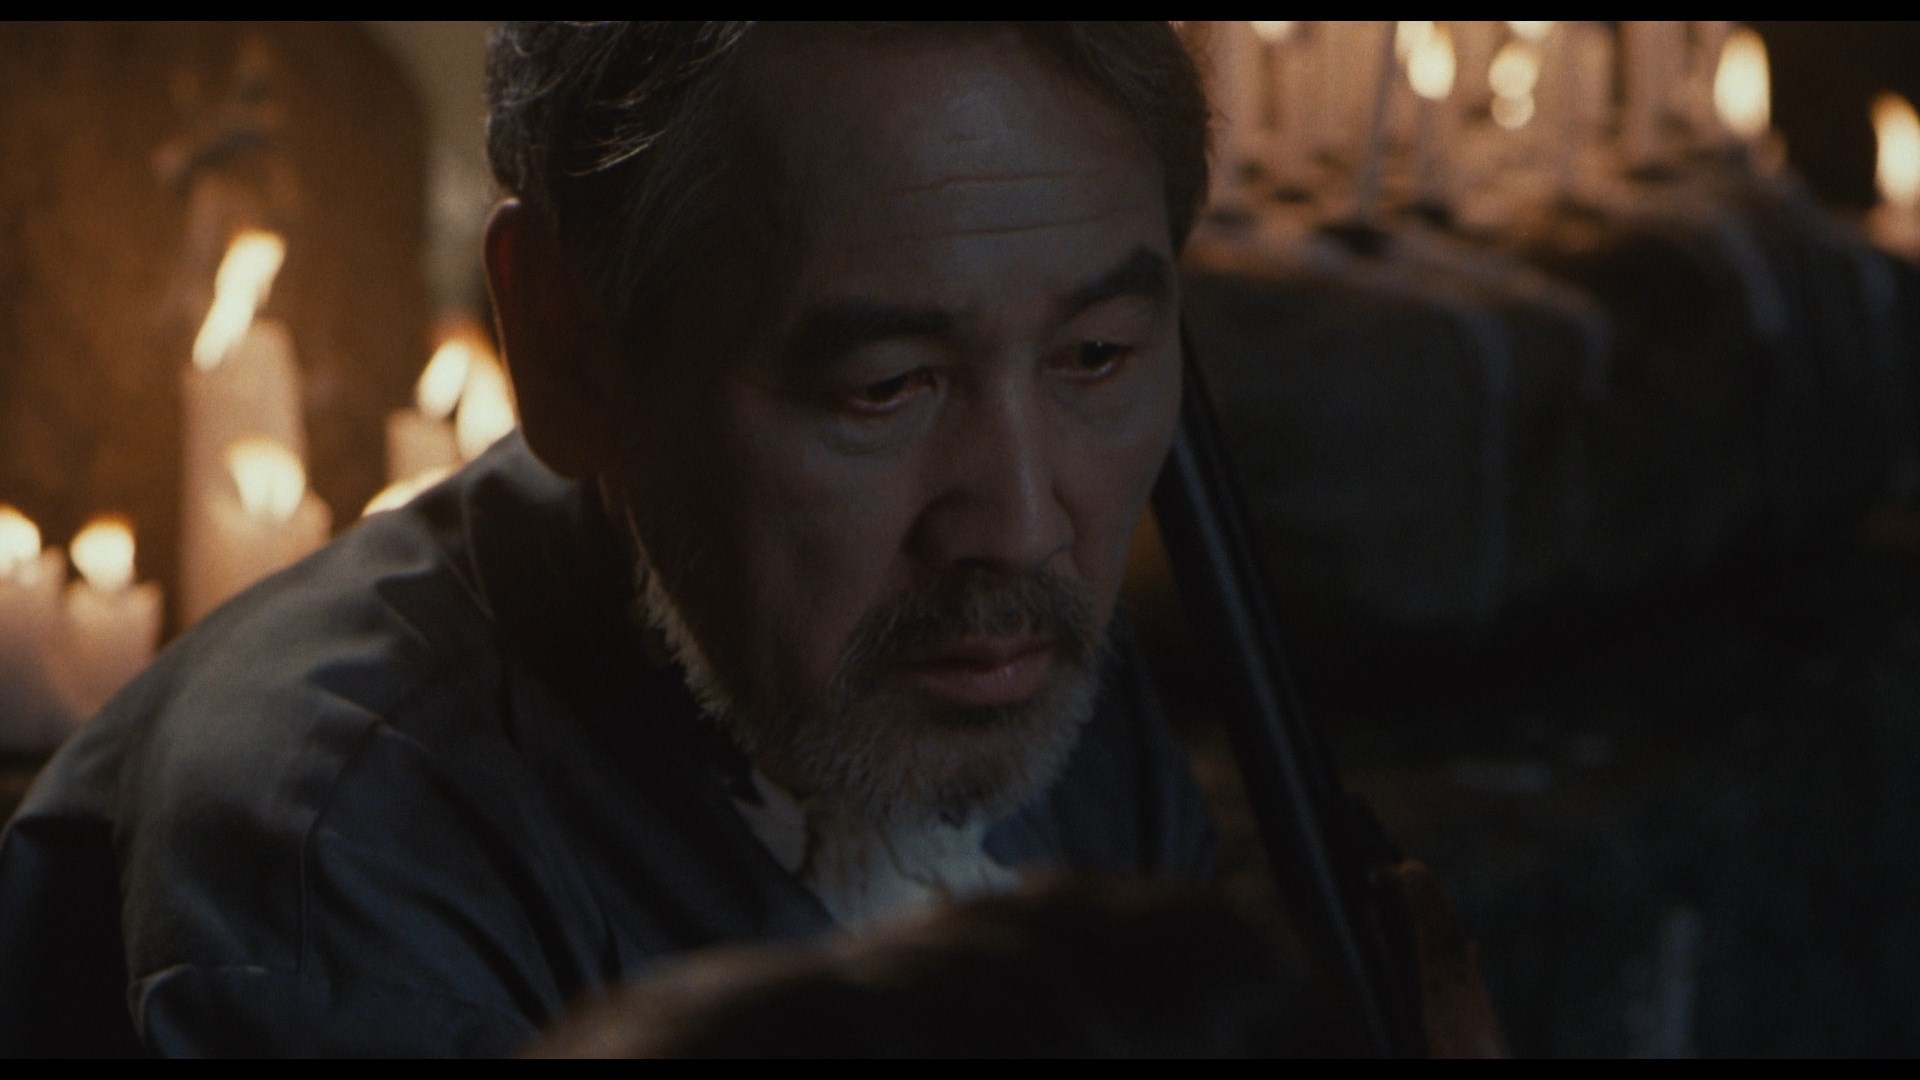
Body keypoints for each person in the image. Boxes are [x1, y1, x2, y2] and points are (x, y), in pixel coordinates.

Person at [0, 22, 1219, 1056]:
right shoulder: (336, 871)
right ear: (565, 344)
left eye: (1096, 356)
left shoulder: (998, 658)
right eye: (886, 387)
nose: (1021, 524)